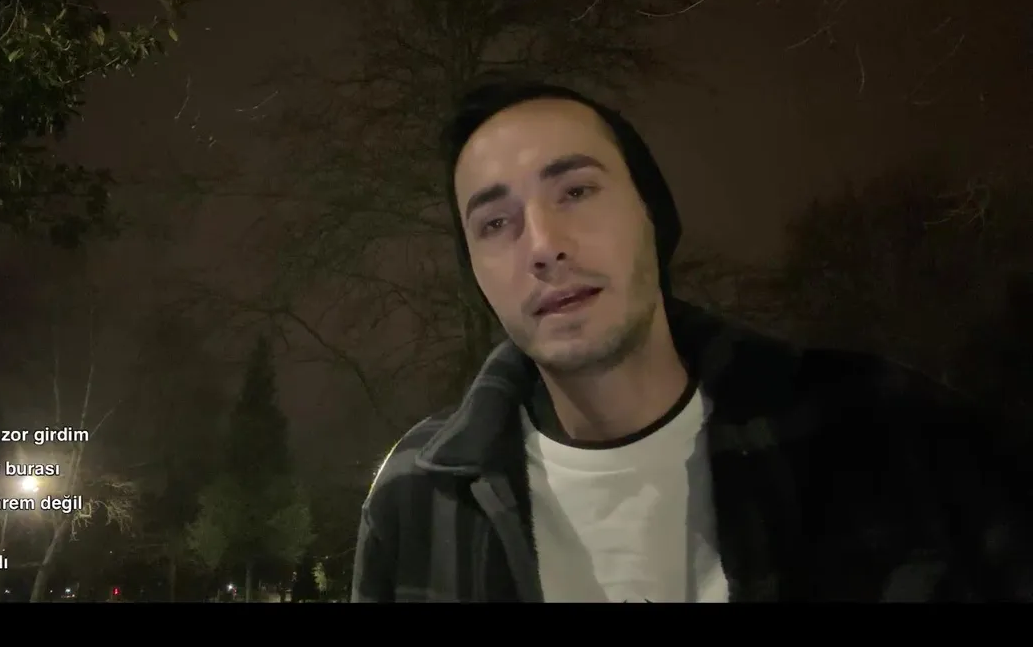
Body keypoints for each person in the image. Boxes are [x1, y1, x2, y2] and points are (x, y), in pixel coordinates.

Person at [351, 75, 1033, 602]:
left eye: (576, 191)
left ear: (653, 215)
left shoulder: (891, 436)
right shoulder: (419, 501)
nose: (543, 246)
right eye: (495, 224)